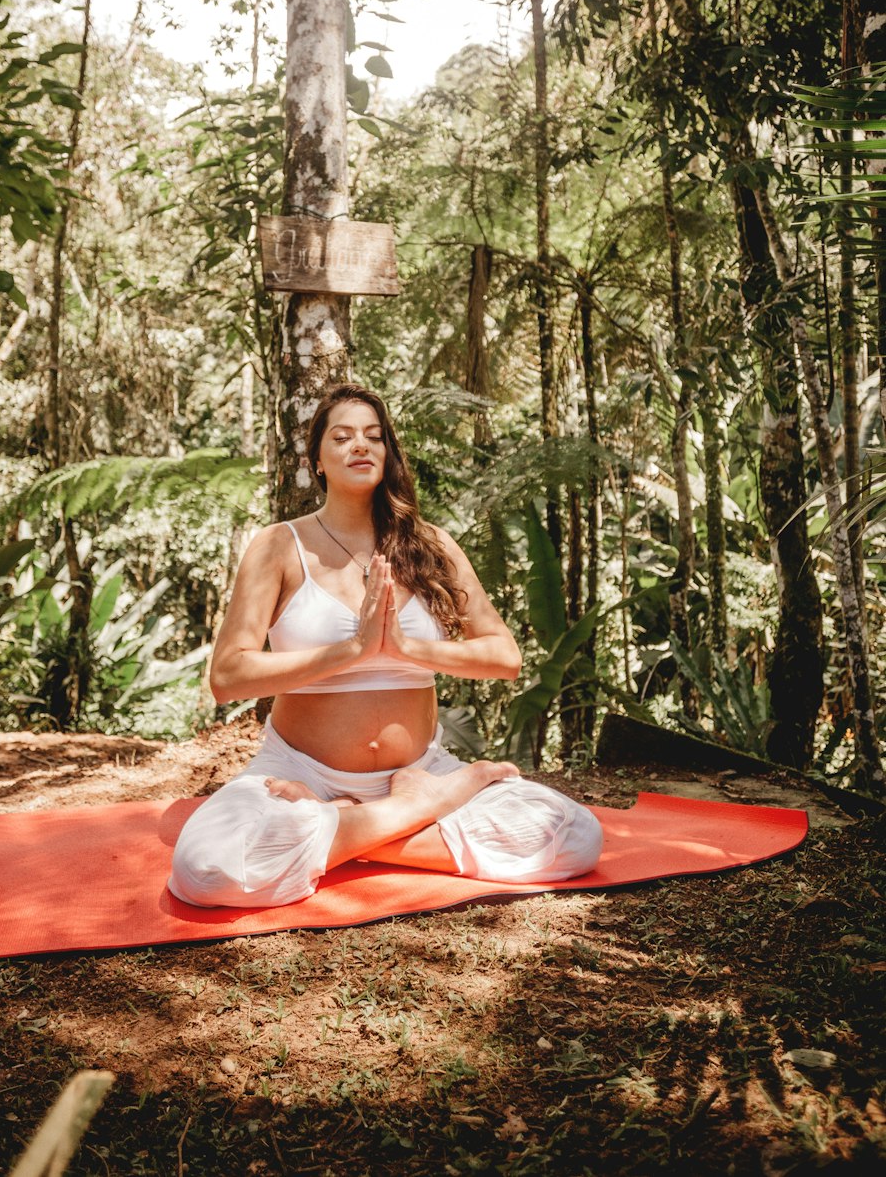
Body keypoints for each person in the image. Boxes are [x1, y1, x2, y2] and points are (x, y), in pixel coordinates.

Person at [169, 384, 603, 909]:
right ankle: (415, 812)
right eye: (343, 436)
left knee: (576, 837)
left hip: (421, 768)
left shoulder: (432, 546)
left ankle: (351, 825)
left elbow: (503, 657)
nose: (361, 446)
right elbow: (228, 676)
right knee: (207, 869)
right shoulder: (279, 546)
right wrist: (351, 650)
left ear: (388, 453)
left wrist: (402, 648)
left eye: (374, 436)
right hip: (298, 772)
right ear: (317, 461)